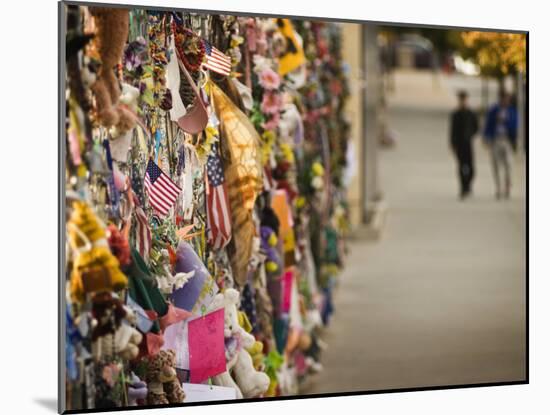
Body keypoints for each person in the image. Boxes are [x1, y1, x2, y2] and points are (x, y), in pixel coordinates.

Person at [483, 91, 518, 199]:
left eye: (507, 99)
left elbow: (515, 126)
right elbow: (487, 125)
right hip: (495, 140)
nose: (505, 101)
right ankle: (498, 188)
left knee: (509, 165)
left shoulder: (512, 111)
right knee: (496, 166)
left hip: (507, 141)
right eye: (504, 99)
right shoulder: (494, 110)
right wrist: (486, 138)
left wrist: (505, 121)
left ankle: (507, 186)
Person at [450, 90, 478, 199]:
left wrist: (471, 135)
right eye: (460, 99)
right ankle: (463, 188)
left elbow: (476, 127)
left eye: (463, 99)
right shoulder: (455, 114)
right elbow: (452, 130)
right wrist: (452, 143)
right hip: (459, 145)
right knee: (461, 166)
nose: (462, 101)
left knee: (471, 168)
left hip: (468, 144)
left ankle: (468, 184)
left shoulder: (471, 113)